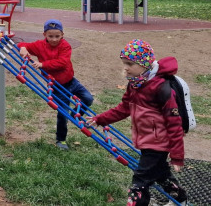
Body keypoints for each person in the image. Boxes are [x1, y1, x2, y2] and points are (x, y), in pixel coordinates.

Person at [87, 39, 188, 206]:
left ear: (145, 64)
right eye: (124, 63)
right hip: (147, 139)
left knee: (139, 181)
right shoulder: (135, 84)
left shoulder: (162, 88)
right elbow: (124, 108)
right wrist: (101, 119)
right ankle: (180, 198)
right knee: (160, 173)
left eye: (130, 64)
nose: (125, 67)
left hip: (159, 143)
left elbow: (174, 122)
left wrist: (177, 156)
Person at [17, 19, 93, 151]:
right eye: (50, 36)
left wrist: (43, 64)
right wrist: (23, 48)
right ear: (44, 34)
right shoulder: (40, 45)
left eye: (57, 36)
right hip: (56, 86)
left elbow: (62, 62)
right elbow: (23, 44)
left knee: (88, 98)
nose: (54, 39)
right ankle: (61, 139)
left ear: (62, 35)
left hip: (71, 81)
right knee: (62, 114)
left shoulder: (65, 46)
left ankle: (77, 114)